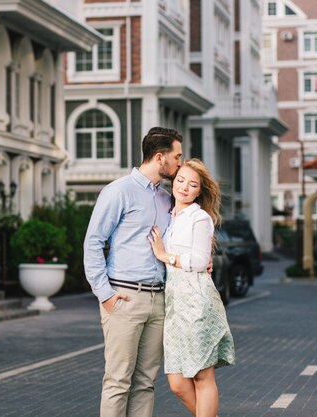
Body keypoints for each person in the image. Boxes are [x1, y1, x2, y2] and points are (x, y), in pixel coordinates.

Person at [83, 127, 183, 417]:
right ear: (160, 157)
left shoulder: (166, 199)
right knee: (118, 380)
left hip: (158, 301)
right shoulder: (118, 191)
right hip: (124, 298)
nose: (180, 162)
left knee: (146, 382)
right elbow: (93, 242)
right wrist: (105, 295)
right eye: (177, 156)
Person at [149, 158, 235, 417]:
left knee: (201, 375)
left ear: (200, 191)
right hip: (174, 304)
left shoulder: (200, 218)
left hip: (196, 300)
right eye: (181, 180)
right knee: (176, 382)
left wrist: (165, 256)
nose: (184, 187)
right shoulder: (170, 215)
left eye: (192, 184)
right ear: (173, 181)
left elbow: (199, 261)